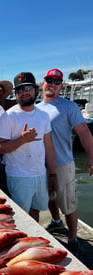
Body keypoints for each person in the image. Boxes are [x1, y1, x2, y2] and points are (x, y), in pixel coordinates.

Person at [37, 68, 93, 254]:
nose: (52, 84)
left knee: (69, 203)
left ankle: (73, 237)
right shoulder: (35, 108)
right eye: (49, 80)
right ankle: (55, 222)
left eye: (57, 81)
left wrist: (92, 157)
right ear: (42, 83)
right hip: (41, 165)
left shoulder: (69, 107)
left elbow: (84, 133)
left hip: (63, 164)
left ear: (61, 86)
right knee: (50, 197)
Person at [0, 72, 57, 222]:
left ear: (35, 90)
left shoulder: (43, 115)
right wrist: (22, 140)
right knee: (22, 217)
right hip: (18, 177)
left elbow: (48, 146)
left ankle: (35, 237)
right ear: (16, 94)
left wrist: (53, 173)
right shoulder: (8, 116)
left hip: (40, 174)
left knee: (36, 211)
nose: (24, 93)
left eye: (28, 88)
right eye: (20, 90)